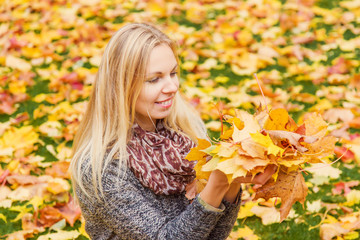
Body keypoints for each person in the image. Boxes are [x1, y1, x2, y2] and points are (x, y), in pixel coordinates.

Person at [70, 23, 276, 240]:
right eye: (154, 79)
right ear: (121, 87)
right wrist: (217, 184)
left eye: (173, 73)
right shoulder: (104, 167)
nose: (172, 87)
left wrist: (231, 180)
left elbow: (214, 236)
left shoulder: (186, 132)